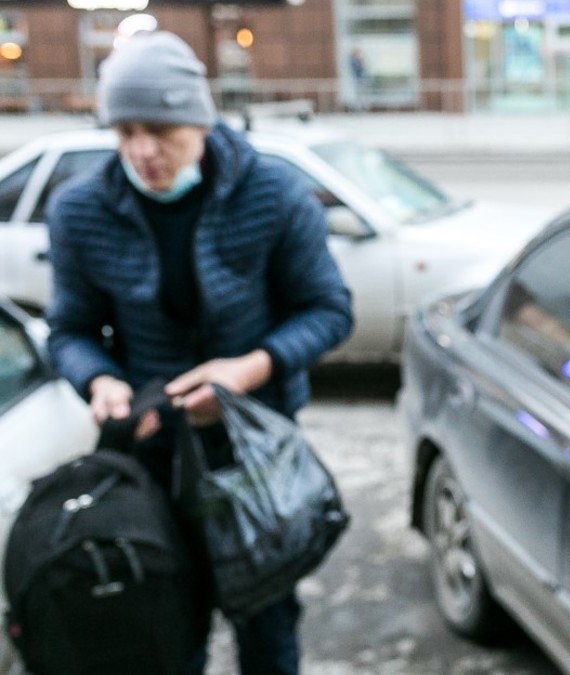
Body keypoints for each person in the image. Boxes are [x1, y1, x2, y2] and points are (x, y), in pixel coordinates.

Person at [44, 30, 354, 675]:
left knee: (267, 624)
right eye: (124, 131)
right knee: (163, 621)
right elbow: (69, 331)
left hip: (254, 450)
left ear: (200, 121)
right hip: (151, 455)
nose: (143, 150)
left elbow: (329, 310)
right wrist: (100, 382)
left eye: (161, 129)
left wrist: (249, 370)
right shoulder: (80, 211)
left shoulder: (273, 194)